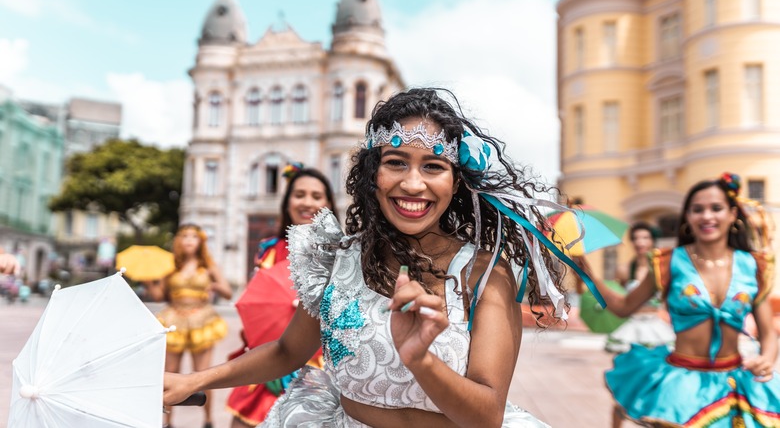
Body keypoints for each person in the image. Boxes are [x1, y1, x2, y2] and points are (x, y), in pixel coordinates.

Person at [164, 87, 591, 427]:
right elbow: (286, 353)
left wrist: (419, 358)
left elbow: (485, 416)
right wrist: (193, 381)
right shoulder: (338, 257)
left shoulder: (483, 275)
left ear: (456, 183)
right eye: (396, 162)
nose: (412, 183)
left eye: (432, 167)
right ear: (373, 174)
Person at [578, 173, 780, 426]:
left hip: (735, 381)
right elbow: (622, 308)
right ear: (687, 217)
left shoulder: (754, 266)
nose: (707, 216)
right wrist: (588, 274)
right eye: (697, 210)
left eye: (716, 208)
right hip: (681, 384)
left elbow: (768, 334)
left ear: (732, 214)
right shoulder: (667, 261)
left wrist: (767, 359)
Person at [226, 165, 337, 428]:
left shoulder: (341, 253)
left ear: (329, 204)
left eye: (316, 196)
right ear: (287, 202)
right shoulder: (269, 251)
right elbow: (259, 302)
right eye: (299, 194)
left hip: (322, 367)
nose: (307, 202)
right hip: (267, 356)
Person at [146, 224, 233, 428]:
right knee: (170, 372)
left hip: (201, 319)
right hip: (173, 319)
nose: (189, 240)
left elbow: (228, 293)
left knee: (202, 374)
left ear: (200, 241)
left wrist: (215, 285)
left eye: (193, 236)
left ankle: (208, 420)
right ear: (178, 240)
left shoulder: (208, 266)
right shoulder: (170, 266)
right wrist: (150, 282)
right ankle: (167, 422)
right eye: (184, 236)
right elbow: (160, 296)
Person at [605, 221, 674, 428]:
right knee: (625, 380)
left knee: (658, 380)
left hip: (657, 329)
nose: (639, 242)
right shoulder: (625, 270)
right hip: (633, 329)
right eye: (635, 238)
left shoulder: (663, 269)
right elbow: (620, 300)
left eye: (645, 238)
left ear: (653, 241)